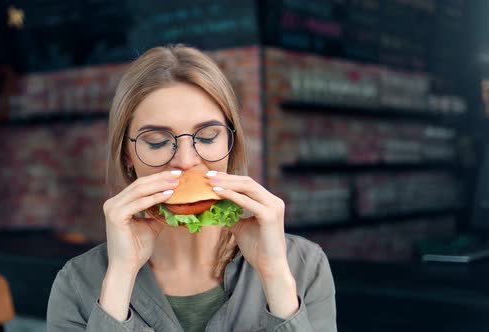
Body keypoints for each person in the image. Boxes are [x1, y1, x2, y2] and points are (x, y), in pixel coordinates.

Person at [47, 44, 337, 331]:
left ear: (230, 145)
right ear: (127, 155)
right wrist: (120, 278)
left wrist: (275, 275)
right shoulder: (75, 284)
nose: (186, 161)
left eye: (208, 137)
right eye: (157, 141)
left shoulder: (304, 266)